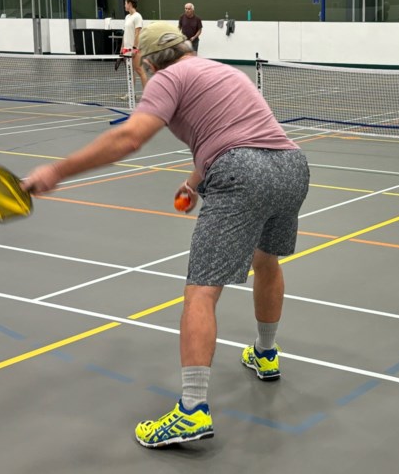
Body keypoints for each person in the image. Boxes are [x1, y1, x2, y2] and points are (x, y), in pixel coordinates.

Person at [22, 23, 310, 448]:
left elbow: (129, 137)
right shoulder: (222, 71)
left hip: (243, 173)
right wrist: (195, 183)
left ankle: (192, 412)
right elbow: (237, 131)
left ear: (150, 63)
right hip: (292, 167)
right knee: (266, 260)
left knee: (201, 292)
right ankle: (266, 354)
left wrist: (56, 171)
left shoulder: (168, 78)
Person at [122, 0, 147, 91]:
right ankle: (131, 94)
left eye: (125, 3)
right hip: (126, 49)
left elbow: (137, 34)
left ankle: (147, 95)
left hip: (135, 49)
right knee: (130, 72)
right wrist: (122, 47)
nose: (124, 5)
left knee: (140, 71)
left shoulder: (137, 17)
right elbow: (125, 33)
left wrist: (135, 48)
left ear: (130, 4)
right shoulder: (127, 17)